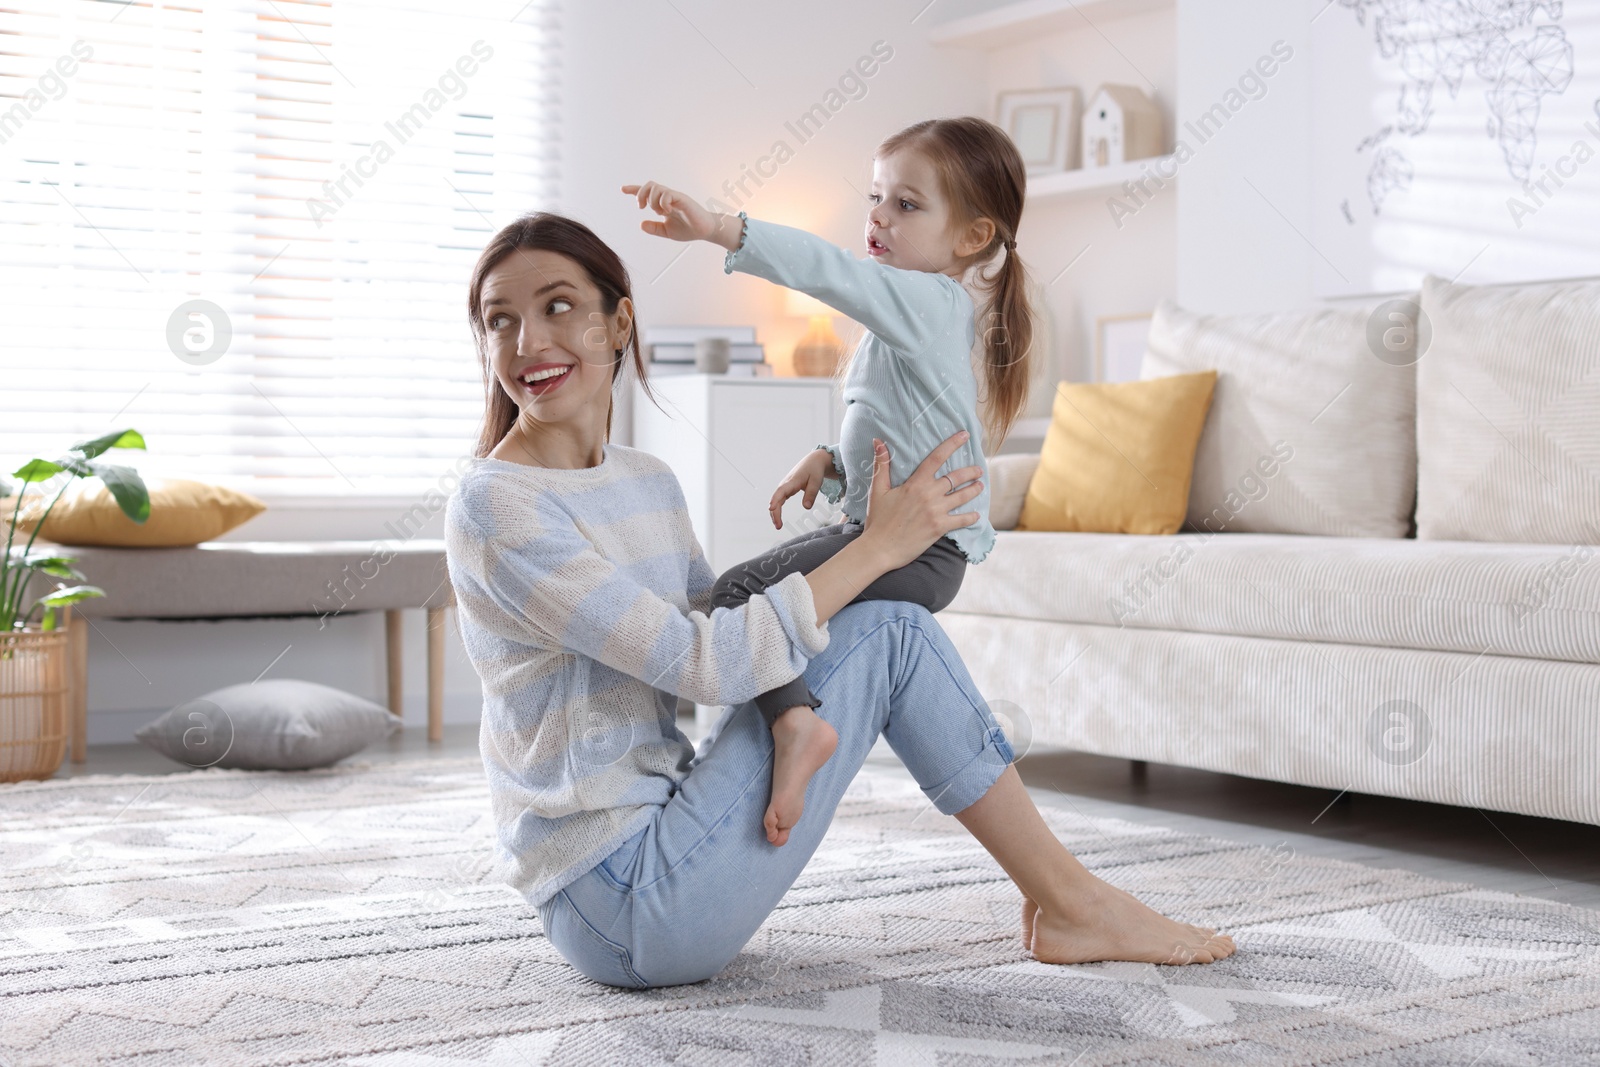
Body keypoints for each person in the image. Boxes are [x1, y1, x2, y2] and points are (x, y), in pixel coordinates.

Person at [443, 211, 1235, 990]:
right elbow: (703, 661)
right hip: (622, 899)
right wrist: (878, 547)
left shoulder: (646, 480)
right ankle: (1073, 900)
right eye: (499, 321)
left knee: (886, 624)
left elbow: (722, 632)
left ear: (618, 325)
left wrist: (796, 702)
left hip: (671, 830)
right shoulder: (497, 506)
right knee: (891, 629)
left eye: (557, 307)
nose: (526, 344)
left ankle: (1067, 897)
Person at [624, 117, 1034, 847]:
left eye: (907, 205)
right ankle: (784, 733)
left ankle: (798, 727)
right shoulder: (913, 314)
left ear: (972, 237)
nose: (878, 216)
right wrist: (832, 460)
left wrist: (720, 227)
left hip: (919, 550)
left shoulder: (930, 302)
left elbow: (826, 269)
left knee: (736, 594)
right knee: (769, 608)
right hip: (906, 540)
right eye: (877, 196)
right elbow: (900, 429)